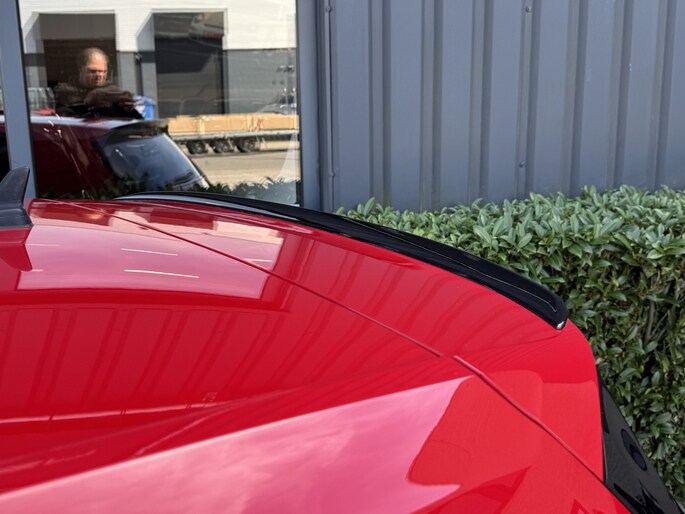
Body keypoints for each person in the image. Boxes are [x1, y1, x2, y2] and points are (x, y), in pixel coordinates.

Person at [54, 47, 142, 119]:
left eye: (103, 71)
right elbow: (64, 121)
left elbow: (135, 124)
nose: (99, 75)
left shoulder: (113, 92)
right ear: (80, 68)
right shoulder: (64, 92)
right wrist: (88, 106)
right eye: (93, 71)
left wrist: (129, 110)